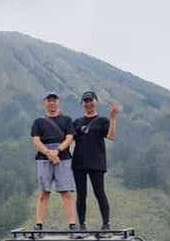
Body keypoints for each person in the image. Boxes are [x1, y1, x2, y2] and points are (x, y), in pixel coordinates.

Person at [72, 91, 120, 230]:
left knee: (99, 192)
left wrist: (113, 118)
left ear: (96, 102)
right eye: (85, 101)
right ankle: (82, 224)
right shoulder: (77, 122)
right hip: (79, 162)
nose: (88, 103)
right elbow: (70, 139)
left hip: (96, 162)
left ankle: (106, 223)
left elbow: (111, 136)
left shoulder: (102, 120)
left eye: (90, 100)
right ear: (82, 104)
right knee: (81, 194)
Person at [30, 92, 77, 231]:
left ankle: (72, 224)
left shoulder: (67, 120)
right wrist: (48, 153)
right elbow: (36, 140)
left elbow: (70, 138)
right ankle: (39, 224)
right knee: (44, 192)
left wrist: (58, 150)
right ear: (45, 103)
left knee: (66, 192)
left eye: (54, 100)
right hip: (44, 158)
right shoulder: (38, 122)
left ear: (58, 102)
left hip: (63, 157)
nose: (52, 103)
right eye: (49, 100)